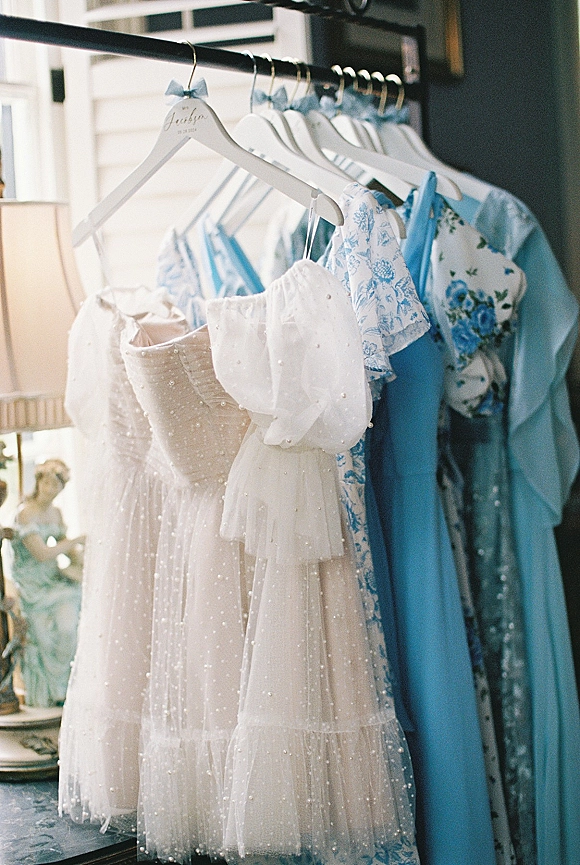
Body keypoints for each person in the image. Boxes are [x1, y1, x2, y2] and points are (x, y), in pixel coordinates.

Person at [10, 458, 84, 707]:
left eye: (56, 485)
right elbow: (41, 554)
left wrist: (82, 562)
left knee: (67, 631)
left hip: (55, 582)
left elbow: (68, 552)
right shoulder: (25, 512)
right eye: (47, 483)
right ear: (39, 482)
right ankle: (47, 695)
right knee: (42, 638)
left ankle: (64, 690)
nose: (51, 489)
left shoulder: (56, 513)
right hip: (32, 586)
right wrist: (77, 540)